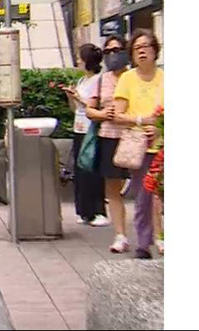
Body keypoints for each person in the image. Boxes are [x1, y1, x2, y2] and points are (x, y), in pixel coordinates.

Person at [113, 30, 164, 259]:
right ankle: (144, 245)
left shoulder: (166, 78)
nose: (142, 51)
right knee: (143, 197)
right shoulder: (127, 79)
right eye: (137, 48)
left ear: (155, 50)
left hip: (164, 144)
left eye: (146, 46)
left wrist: (160, 127)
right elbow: (118, 115)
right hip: (140, 148)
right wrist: (143, 121)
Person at [86, 35, 131, 254]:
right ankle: (120, 235)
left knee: (149, 189)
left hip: (135, 139)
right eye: (108, 52)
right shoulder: (102, 80)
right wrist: (103, 113)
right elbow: (89, 110)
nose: (113, 55)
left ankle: (155, 234)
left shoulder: (134, 77)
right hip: (109, 138)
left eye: (117, 50)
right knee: (113, 190)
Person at [63, 44, 108, 226]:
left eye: (80, 57)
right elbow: (75, 109)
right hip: (79, 127)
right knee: (80, 171)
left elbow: (92, 106)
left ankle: (98, 211)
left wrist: (78, 98)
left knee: (93, 170)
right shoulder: (82, 81)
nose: (78, 61)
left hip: (91, 129)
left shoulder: (99, 80)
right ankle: (84, 211)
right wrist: (71, 96)